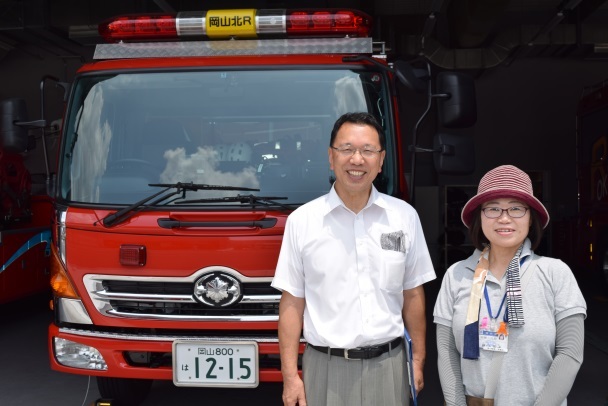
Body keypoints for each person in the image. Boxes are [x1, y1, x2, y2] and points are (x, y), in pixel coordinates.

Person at [271, 112, 436, 406]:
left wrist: (419, 359)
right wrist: (290, 376)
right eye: (346, 149)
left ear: (381, 159)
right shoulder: (303, 221)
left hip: (390, 365)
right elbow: (292, 301)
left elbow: (412, 293)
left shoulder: (404, 217)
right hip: (325, 367)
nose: (357, 160)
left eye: (368, 150)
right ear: (330, 157)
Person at [433, 165, 587, 405]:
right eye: (493, 208)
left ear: (530, 217)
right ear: (479, 217)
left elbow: (570, 353)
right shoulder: (456, 275)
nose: (504, 218)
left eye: (516, 208)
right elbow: (447, 352)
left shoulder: (555, 273)